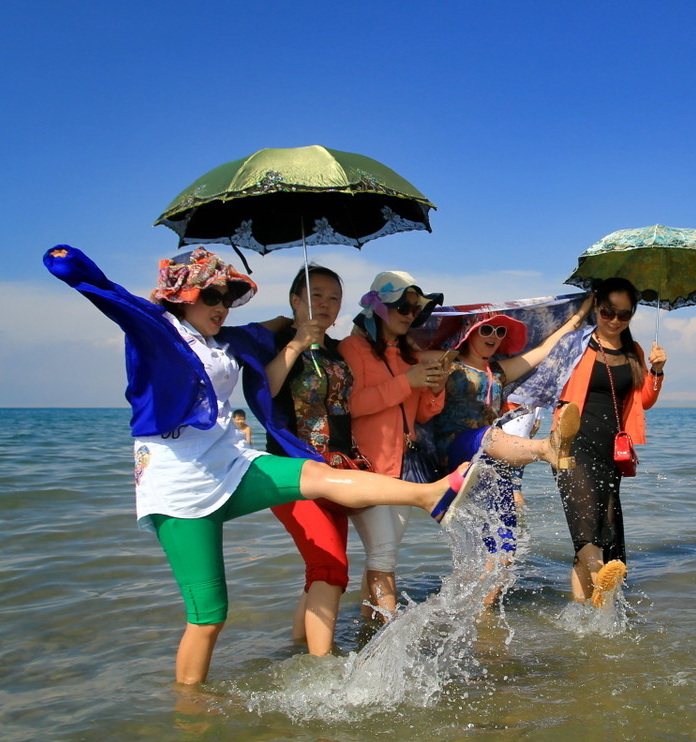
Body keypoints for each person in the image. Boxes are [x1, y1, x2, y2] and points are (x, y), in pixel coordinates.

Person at [44, 245, 466, 684]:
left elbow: (269, 328)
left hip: (235, 464)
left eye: (228, 299)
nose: (222, 308)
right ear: (183, 295)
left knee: (319, 480)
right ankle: (191, 717)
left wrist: (301, 323)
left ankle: (430, 494)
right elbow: (115, 299)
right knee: (208, 617)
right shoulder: (158, 331)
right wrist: (72, 267)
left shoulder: (227, 339)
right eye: (212, 298)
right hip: (179, 484)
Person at [511, 278, 666, 607]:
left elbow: (644, 401)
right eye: (607, 311)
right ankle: (601, 580)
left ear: (632, 315)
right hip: (571, 444)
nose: (614, 320)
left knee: (602, 529)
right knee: (586, 529)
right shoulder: (576, 344)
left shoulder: (634, 352)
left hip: (611, 451)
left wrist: (656, 371)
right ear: (597, 308)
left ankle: (584, 621)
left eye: (623, 315)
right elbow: (542, 367)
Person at [433, 300, 591, 603]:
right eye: (487, 329)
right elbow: (410, 355)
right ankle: (547, 448)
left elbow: (543, 350)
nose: (494, 335)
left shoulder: (498, 372)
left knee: (505, 547)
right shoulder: (449, 364)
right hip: (457, 447)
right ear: (470, 332)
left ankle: (482, 613)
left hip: (491, 460)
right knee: (490, 435)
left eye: (500, 331)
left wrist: (582, 314)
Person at [339, 272, 449, 619]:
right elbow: (352, 405)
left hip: (403, 470)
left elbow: (423, 414)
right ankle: (389, 634)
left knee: (382, 554)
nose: (408, 313)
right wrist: (407, 382)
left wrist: (435, 388)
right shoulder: (351, 348)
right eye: (402, 305)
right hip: (367, 469)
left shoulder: (409, 356)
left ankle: (366, 627)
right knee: (383, 554)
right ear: (379, 308)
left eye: (414, 307)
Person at [263, 265, 358, 656]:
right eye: (315, 295)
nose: (325, 304)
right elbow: (262, 391)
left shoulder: (337, 350)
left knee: (322, 570)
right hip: (291, 469)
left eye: (334, 297)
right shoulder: (274, 342)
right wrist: (296, 342)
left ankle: (297, 650)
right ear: (295, 299)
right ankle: (324, 669)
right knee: (331, 569)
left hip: (337, 470)